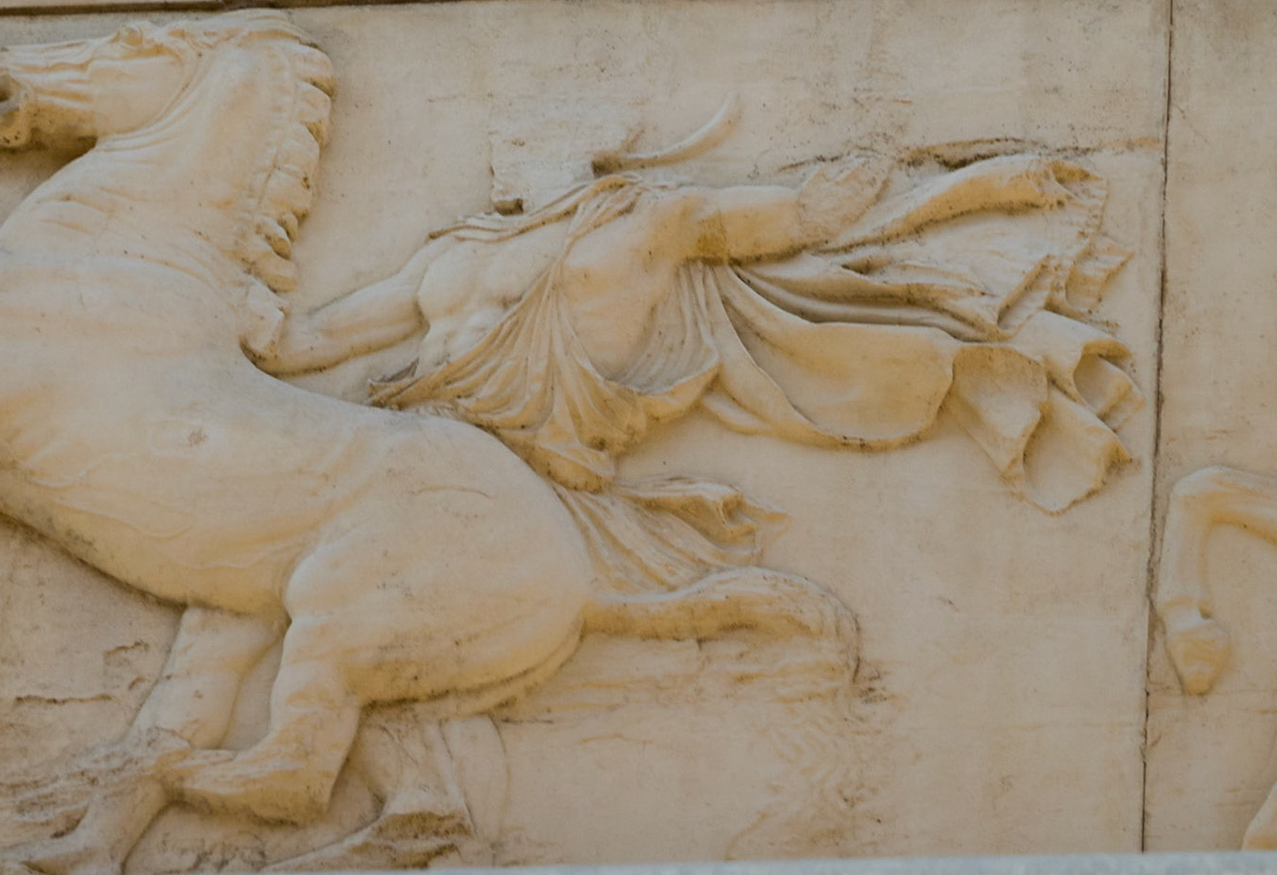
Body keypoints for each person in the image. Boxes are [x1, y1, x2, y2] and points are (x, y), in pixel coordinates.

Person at [250, 146, 1141, 601]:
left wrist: (970, 189)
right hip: (411, 431)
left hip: (520, 448)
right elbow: (312, 340)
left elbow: (801, 222)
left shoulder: (655, 222)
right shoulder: (456, 247)